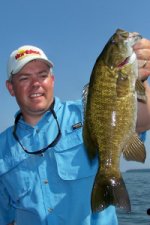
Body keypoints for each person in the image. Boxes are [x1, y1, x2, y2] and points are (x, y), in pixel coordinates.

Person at [0, 38, 150, 225]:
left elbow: (143, 121)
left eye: (42, 75)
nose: (36, 83)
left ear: (52, 80)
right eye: (24, 78)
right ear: (11, 88)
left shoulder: (88, 111)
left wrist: (139, 78)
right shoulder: (2, 148)